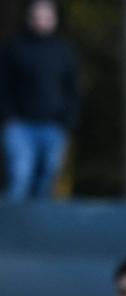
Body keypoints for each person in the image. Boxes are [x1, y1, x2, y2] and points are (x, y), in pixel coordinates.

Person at [0, 0, 79, 202]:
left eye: (46, 17)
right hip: (19, 126)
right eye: (37, 16)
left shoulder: (64, 51)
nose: (42, 21)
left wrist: (67, 121)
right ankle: (9, 229)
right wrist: (8, 116)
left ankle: (37, 232)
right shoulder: (13, 48)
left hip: (53, 127)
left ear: (54, 19)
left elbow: (74, 89)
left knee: (46, 182)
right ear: (29, 18)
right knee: (20, 178)